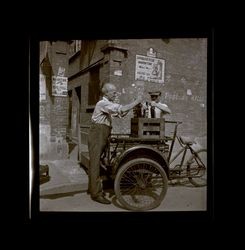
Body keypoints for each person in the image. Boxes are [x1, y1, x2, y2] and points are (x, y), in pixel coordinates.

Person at [87, 82, 143, 204]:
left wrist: (132, 105)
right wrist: (136, 102)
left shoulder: (108, 105)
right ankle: (96, 194)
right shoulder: (102, 103)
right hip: (97, 134)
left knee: (99, 163)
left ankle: (93, 187)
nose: (115, 93)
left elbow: (121, 113)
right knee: (95, 163)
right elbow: (121, 108)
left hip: (102, 134)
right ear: (106, 92)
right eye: (113, 92)